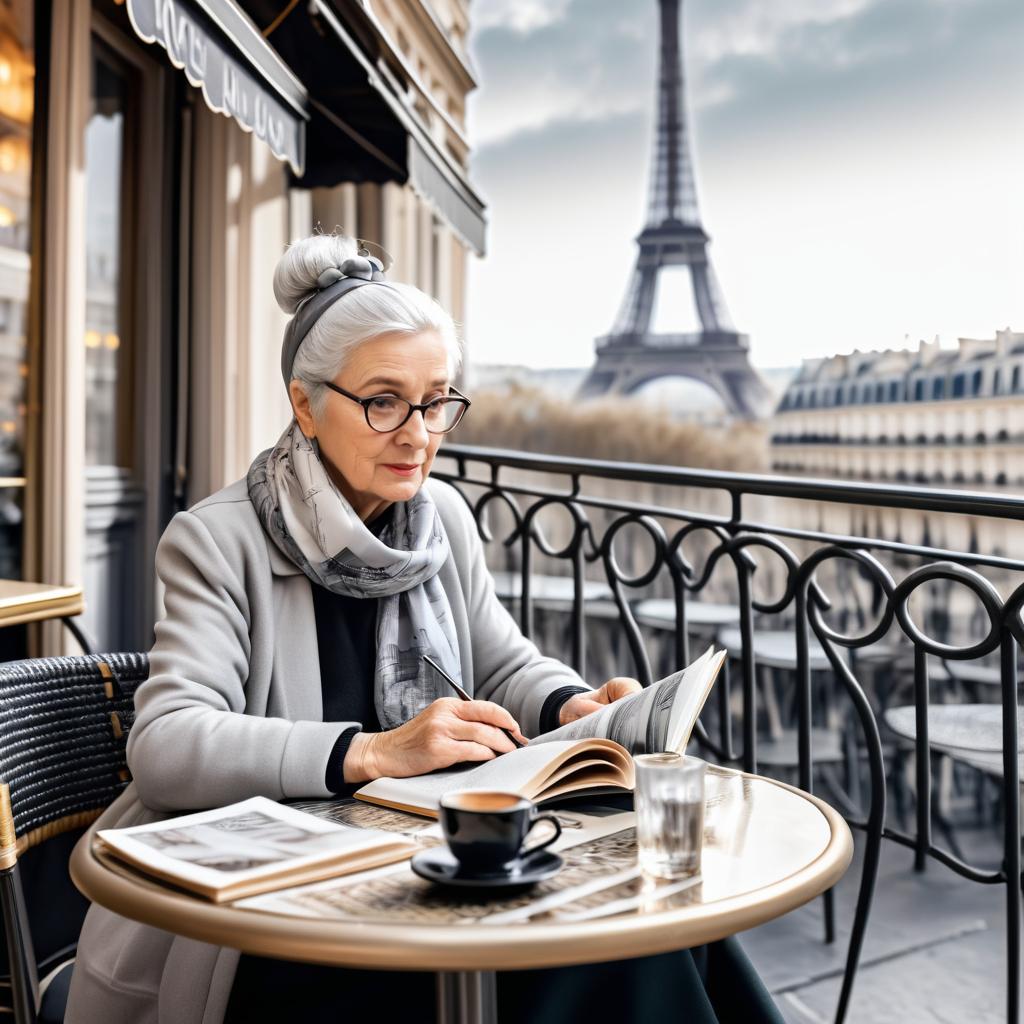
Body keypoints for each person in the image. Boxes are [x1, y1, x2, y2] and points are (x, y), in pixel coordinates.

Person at [66, 234, 782, 1024]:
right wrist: (373, 752)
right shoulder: (215, 539)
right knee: (606, 955)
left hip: (432, 867)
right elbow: (166, 744)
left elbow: (503, 660)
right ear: (305, 404)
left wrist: (573, 709)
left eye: (438, 399)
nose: (419, 434)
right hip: (275, 918)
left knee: (664, 922)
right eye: (383, 401)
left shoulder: (440, 517)